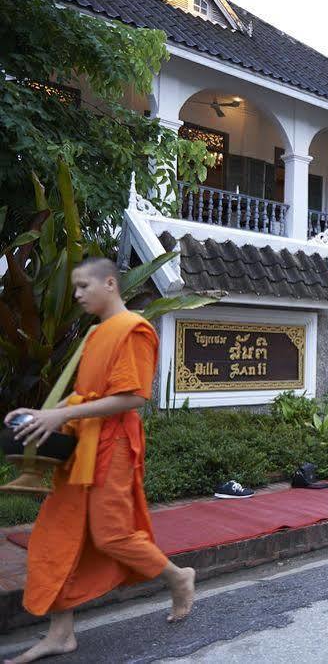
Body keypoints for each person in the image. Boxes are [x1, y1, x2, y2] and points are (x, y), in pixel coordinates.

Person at [3, 257, 195, 664]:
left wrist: (62, 415)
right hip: (83, 443)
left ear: (110, 283)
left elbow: (133, 397)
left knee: (112, 534)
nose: (76, 295)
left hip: (114, 444)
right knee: (55, 534)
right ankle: (60, 634)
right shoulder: (95, 334)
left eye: (82, 287)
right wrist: (37, 415)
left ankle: (178, 577)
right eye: (74, 288)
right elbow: (82, 396)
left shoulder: (134, 330)